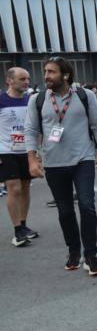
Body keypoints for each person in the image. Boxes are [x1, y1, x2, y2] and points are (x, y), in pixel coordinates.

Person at [24, 57, 97, 275]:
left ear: (65, 75)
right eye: (45, 71)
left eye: (51, 72)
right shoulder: (38, 99)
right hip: (53, 162)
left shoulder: (85, 95)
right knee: (65, 211)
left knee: (87, 205)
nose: (46, 76)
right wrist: (32, 159)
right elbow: (31, 131)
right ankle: (73, 250)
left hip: (83, 159)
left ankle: (90, 254)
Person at [1, 68, 37, 247]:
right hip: (6, 151)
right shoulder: (1, 100)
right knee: (14, 188)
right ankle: (17, 231)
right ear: (9, 81)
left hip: (27, 151)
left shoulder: (30, 101)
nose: (26, 82)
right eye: (22, 79)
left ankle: (23, 225)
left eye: (28, 78)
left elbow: (36, 126)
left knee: (25, 186)